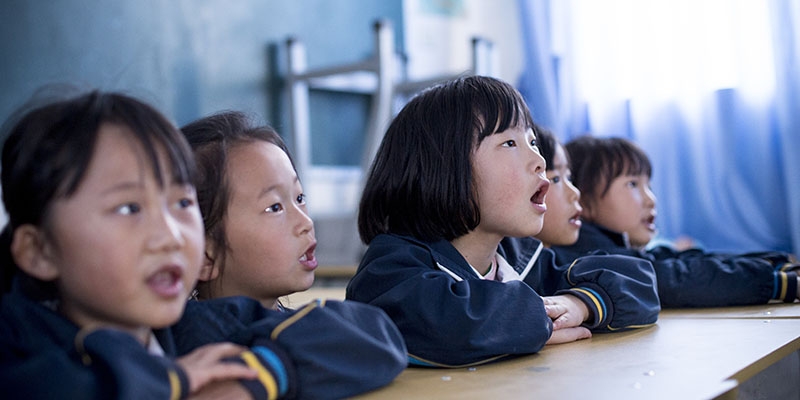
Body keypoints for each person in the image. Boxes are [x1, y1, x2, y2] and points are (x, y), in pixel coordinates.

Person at [346, 75, 660, 368]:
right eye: (509, 143)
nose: (539, 161)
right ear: (445, 169)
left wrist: (579, 305)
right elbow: (446, 320)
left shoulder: (519, 260)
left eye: (533, 142)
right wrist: (540, 320)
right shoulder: (390, 268)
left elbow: (640, 280)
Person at [0, 90, 269, 399]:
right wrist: (169, 380)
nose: (172, 236)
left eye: (182, 202)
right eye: (129, 208)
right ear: (40, 251)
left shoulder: (199, 325)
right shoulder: (17, 355)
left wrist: (272, 371)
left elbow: (332, 328)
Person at [174, 110, 408, 398]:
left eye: (299, 198)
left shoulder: (286, 323)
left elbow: (377, 333)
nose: (305, 223)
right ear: (205, 255)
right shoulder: (191, 336)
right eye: (274, 207)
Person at [551, 135, 800, 307]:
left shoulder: (609, 246)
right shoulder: (586, 255)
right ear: (583, 197)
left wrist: (773, 263)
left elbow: (674, 262)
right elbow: (675, 278)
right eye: (632, 184)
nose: (651, 200)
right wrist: (778, 283)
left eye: (648, 185)